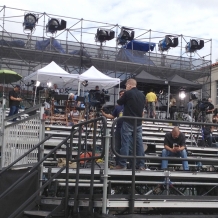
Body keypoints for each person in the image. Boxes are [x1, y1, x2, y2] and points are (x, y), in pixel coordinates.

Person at [115, 79, 145, 170]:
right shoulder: (142, 95)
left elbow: (119, 102)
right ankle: (141, 164)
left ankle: (122, 164)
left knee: (125, 143)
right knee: (139, 143)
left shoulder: (128, 93)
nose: (126, 87)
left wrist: (125, 95)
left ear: (129, 85)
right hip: (138, 122)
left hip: (128, 121)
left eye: (126, 85)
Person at [101, 90, 125, 166]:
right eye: (120, 94)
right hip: (118, 128)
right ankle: (118, 163)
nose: (121, 95)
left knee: (125, 146)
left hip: (127, 128)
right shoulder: (118, 107)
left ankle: (125, 163)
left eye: (123, 94)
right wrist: (104, 114)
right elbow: (112, 116)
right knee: (117, 147)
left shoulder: (129, 105)